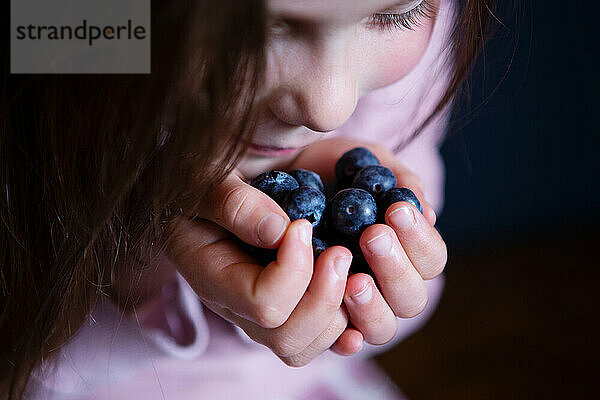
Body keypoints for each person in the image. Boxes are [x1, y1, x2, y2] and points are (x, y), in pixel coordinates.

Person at [0, 0, 496, 398]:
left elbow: (413, 299)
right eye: (252, 29)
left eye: (393, 15)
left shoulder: (417, 49)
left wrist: (365, 289)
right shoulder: (66, 29)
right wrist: (152, 254)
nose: (330, 107)